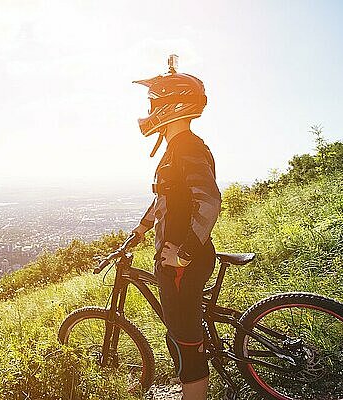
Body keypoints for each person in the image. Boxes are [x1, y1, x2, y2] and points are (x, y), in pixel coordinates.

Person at [131, 55, 221, 400]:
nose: (150, 109)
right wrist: (141, 230)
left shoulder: (187, 149)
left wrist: (183, 255)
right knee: (180, 334)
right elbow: (166, 200)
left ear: (172, 105)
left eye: (154, 102)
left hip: (183, 263)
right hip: (175, 260)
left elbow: (209, 202)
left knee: (186, 343)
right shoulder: (175, 150)